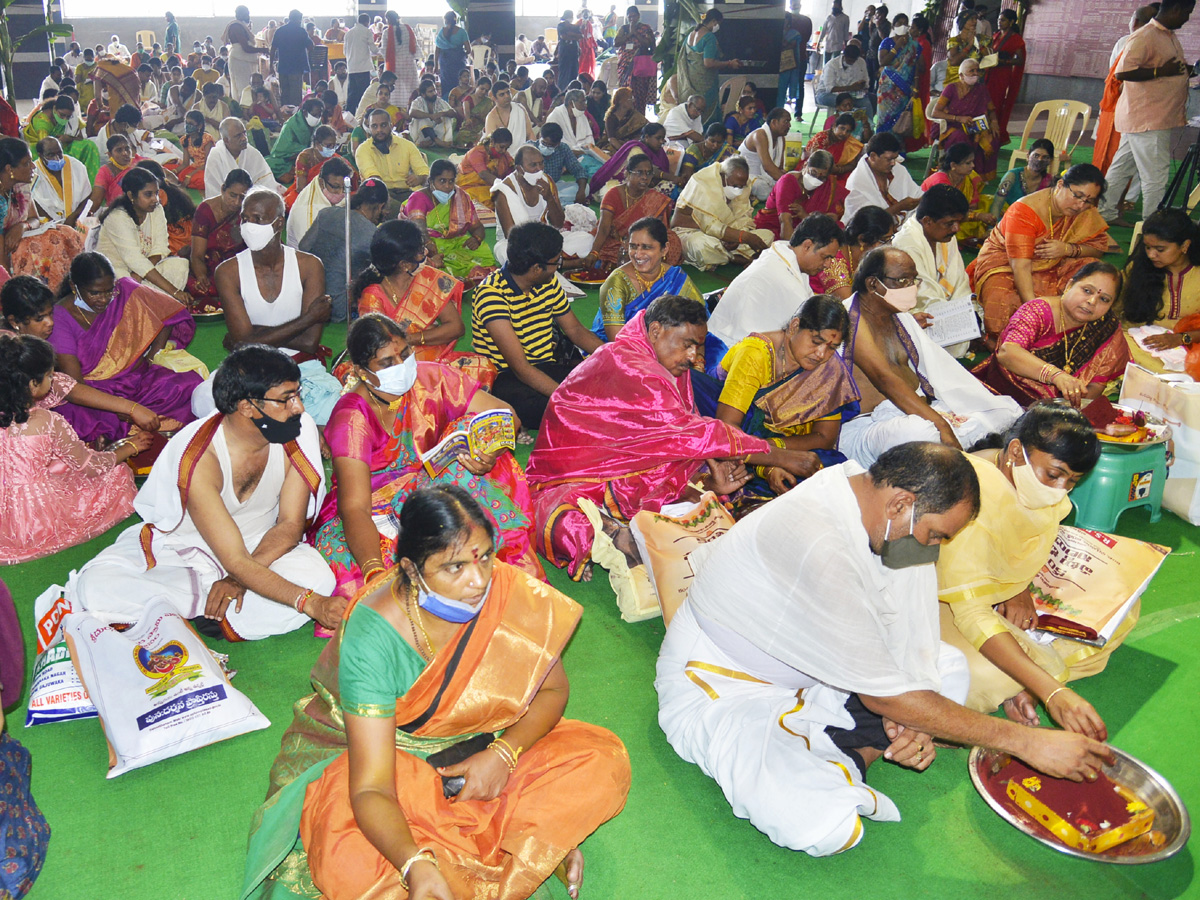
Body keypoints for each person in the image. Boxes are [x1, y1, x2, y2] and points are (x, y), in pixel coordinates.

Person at [657, 441, 1116, 857]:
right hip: (726, 686)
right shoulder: (819, 537)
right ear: (902, 503)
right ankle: (849, 757)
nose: (934, 547)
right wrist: (1026, 742)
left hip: (821, 677)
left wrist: (911, 707)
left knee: (949, 669)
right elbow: (883, 692)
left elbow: (908, 628)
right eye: (936, 535)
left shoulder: (870, 497)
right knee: (820, 826)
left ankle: (853, 749)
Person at [245, 483, 629, 900]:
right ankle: (515, 847)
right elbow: (371, 788)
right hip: (391, 762)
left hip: (483, 750)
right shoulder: (374, 632)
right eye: (454, 567)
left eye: (484, 556)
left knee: (598, 758)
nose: (478, 579)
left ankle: (512, 842)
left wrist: (504, 754)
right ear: (411, 570)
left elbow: (554, 692)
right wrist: (414, 865)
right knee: (345, 828)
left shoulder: (507, 591)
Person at [527, 295, 810, 579]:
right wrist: (778, 455)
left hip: (626, 463)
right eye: (686, 344)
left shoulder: (659, 358)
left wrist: (708, 479)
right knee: (565, 521)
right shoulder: (635, 368)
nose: (693, 356)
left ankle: (621, 529)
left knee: (712, 488)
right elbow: (689, 433)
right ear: (655, 331)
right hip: (576, 475)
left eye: (698, 346)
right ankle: (611, 533)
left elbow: (676, 433)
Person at [71, 345, 340, 640]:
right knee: (98, 585)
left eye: (297, 395)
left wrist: (238, 579)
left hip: (261, 546)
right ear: (248, 406)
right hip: (186, 550)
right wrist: (309, 602)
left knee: (318, 577)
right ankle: (217, 613)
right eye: (287, 399)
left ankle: (186, 617)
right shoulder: (200, 456)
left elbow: (289, 525)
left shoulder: (297, 429)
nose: (299, 407)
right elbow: (234, 559)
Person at [313, 316, 540, 601]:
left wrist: (489, 453)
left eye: (405, 353)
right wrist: (374, 573)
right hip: (376, 504)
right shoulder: (352, 417)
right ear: (361, 372)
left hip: (433, 482)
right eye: (386, 363)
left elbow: (506, 416)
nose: (401, 366)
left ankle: (498, 566)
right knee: (353, 561)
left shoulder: (433, 377)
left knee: (472, 439)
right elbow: (355, 507)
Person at [937, 403, 1135, 726]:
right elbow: (971, 613)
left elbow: (1024, 555)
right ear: (1015, 452)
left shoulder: (1036, 488)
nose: (1060, 491)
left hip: (1009, 599)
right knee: (987, 677)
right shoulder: (971, 493)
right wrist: (1051, 692)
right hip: (947, 601)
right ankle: (1022, 678)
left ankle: (1023, 670)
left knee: (1121, 600)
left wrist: (1018, 588)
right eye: (1054, 475)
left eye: (1072, 481)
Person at [839, 248, 1021, 466]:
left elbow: (936, 371)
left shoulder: (900, 318)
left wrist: (945, 414)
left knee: (1005, 410)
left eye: (913, 279)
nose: (911, 287)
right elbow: (885, 379)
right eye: (902, 280)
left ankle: (943, 450)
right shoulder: (851, 320)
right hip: (869, 427)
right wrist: (942, 425)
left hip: (917, 411)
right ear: (873, 284)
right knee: (920, 432)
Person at [195, 189, 339, 427]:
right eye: (244, 219)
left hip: (299, 365)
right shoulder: (228, 271)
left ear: (278, 222)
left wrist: (253, 336)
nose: (248, 225)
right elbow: (245, 344)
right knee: (203, 399)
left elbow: (309, 343)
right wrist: (308, 319)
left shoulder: (309, 265)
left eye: (257, 219)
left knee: (333, 402)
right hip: (250, 366)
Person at [0, 331, 144, 563]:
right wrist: (128, 448)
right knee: (117, 474)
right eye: (49, 375)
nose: (54, 379)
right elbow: (90, 466)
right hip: (35, 515)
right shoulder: (47, 420)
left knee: (55, 465)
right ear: (32, 385)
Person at [714, 294, 858, 500]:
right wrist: (775, 462)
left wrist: (776, 450)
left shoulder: (829, 368)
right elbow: (727, 430)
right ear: (794, 326)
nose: (821, 354)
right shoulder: (756, 353)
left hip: (776, 447)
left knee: (836, 473)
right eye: (816, 341)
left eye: (832, 347)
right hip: (732, 438)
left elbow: (824, 438)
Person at [48, 251, 200, 443]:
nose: (104, 300)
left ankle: (125, 432)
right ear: (73, 286)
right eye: (95, 293)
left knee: (188, 384)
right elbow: (75, 386)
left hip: (138, 380)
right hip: (96, 395)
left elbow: (167, 312)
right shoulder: (60, 318)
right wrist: (126, 408)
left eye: (108, 291)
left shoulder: (124, 291)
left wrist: (152, 357)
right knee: (75, 417)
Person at [470, 222, 602, 431]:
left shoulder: (547, 282)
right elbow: (521, 368)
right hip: (506, 377)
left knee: (601, 381)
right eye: (556, 262)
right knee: (547, 407)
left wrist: (612, 355)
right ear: (536, 269)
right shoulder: (491, 294)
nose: (559, 265)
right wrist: (565, 398)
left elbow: (575, 331)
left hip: (545, 365)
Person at [969, 165, 1109, 345]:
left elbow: (1098, 248)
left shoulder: (1084, 210)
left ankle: (1070, 329)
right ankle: (1007, 341)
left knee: (1089, 269)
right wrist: (1034, 312)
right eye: (1077, 195)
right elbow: (1021, 266)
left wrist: (1068, 249)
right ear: (1060, 185)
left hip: (1055, 260)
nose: (1081, 205)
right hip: (1007, 261)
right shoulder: (1025, 211)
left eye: (1089, 200)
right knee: (1003, 297)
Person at [355, 220, 495, 384]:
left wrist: (412, 338)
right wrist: (428, 336)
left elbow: (456, 327)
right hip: (396, 368)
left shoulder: (428, 278)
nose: (426, 253)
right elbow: (381, 350)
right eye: (421, 251)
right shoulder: (372, 297)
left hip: (436, 358)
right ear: (404, 264)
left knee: (484, 368)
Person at [976, 262, 1130, 407]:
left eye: (1104, 299)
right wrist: (1056, 375)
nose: (1092, 301)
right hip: (1004, 396)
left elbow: (1096, 384)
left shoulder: (1107, 328)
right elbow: (1007, 352)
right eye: (1087, 290)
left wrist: (1069, 409)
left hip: (1059, 409)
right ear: (1069, 285)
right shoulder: (1038, 311)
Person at [1098, 0, 1195, 224]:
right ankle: (1153, 228)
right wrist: (1159, 71)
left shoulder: (1167, 35)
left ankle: (1104, 214)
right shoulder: (1145, 35)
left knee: (1121, 168)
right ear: (1176, 9)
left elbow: (1167, 68)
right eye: (1187, 13)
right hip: (1149, 119)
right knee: (1155, 177)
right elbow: (1122, 73)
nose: (1187, 18)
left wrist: (1184, 71)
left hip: (1146, 117)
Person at [709, 214, 845, 348]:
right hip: (728, 349)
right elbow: (810, 330)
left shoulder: (785, 257)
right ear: (807, 246)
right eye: (825, 257)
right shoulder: (784, 279)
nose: (828, 264)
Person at [592, 216, 703, 350]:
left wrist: (698, 358)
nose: (638, 255)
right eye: (633, 247)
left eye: (646, 247)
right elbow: (617, 341)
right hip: (622, 351)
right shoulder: (617, 282)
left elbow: (699, 321)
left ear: (665, 249)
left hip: (667, 346)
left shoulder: (675, 277)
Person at [892, 185, 974, 356]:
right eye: (950, 223)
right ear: (927, 221)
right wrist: (953, 317)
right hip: (915, 313)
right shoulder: (906, 243)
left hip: (944, 309)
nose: (956, 229)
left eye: (958, 222)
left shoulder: (944, 235)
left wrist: (963, 312)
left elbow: (959, 279)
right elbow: (921, 294)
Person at [95, 166, 191, 302]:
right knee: (127, 283)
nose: (155, 199)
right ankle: (153, 303)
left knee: (179, 265)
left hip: (142, 272)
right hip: (116, 272)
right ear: (131, 196)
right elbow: (133, 259)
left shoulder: (156, 210)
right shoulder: (118, 217)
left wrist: (140, 274)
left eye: (156, 193)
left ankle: (152, 303)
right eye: (148, 194)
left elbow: (160, 248)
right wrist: (175, 292)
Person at [298, 177, 387, 324]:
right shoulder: (372, 234)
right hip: (337, 308)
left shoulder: (326, 213)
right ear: (380, 206)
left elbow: (303, 247)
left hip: (306, 299)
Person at [1120, 208, 1200, 370]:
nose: (1151, 255)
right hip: (1139, 343)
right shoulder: (1137, 269)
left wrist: (1180, 339)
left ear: (1185, 245)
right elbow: (1116, 311)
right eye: (1148, 247)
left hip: (1191, 344)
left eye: (1160, 249)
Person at [401, 160, 497, 290]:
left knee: (482, 258)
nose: (447, 186)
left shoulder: (461, 197)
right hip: (424, 244)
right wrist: (429, 246)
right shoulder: (418, 198)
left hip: (454, 243)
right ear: (431, 181)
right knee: (425, 265)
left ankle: (461, 281)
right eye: (442, 181)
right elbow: (419, 231)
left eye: (451, 181)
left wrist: (476, 239)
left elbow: (478, 227)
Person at [584, 155, 683, 279]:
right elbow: (604, 228)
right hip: (615, 240)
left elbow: (657, 230)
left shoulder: (655, 198)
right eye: (639, 173)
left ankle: (646, 265)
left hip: (644, 241)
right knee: (622, 252)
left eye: (648, 173)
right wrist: (594, 252)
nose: (644, 177)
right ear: (627, 174)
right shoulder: (613, 194)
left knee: (672, 241)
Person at [1093, 6, 1159, 186]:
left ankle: (1120, 199)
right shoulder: (1125, 42)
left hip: (1130, 108)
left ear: (1135, 22)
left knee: (1122, 156)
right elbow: (1113, 78)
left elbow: (1119, 77)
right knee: (1115, 155)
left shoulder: (1146, 44)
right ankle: (1111, 199)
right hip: (1118, 105)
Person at [671, 156, 772, 271]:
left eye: (741, 186)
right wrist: (743, 237)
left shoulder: (744, 183)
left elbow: (743, 215)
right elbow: (711, 226)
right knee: (701, 245)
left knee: (767, 235)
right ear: (723, 177)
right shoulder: (703, 183)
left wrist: (737, 237)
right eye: (734, 186)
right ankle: (733, 258)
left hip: (727, 233)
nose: (738, 190)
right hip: (692, 232)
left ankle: (721, 256)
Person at [188, 168, 250, 308]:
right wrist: (202, 276)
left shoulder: (248, 209)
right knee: (203, 288)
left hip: (240, 262)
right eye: (232, 195)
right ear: (223, 189)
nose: (236, 202)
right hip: (212, 265)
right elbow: (197, 255)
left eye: (242, 197)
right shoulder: (205, 211)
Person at [931, 57, 1001, 182]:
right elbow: (935, 112)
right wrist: (958, 118)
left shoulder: (981, 89)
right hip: (953, 126)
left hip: (975, 126)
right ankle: (958, 172)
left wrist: (994, 122)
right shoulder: (951, 88)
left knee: (993, 138)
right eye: (971, 71)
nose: (975, 74)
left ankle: (981, 176)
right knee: (960, 138)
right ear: (961, 75)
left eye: (977, 71)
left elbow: (991, 110)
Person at [810, 205, 895, 299]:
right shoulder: (834, 259)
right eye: (884, 241)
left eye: (890, 239)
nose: (889, 245)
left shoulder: (869, 258)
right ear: (862, 240)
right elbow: (849, 305)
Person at [355, 108, 429, 212]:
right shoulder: (363, 150)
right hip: (380, 195)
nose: (379, 130)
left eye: (383, 125)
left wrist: (419, 178)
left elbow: (424, 172)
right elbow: (375, 181)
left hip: (407, 191)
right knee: (403, 211)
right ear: (369, 128)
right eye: (374, 126)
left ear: (391, 125)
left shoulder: (407, 145)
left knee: (425, 204)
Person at [920, 142, 996, 242]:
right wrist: (977, 216)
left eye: (972, 162)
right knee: (953, 227)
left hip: (962, 213)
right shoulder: (940, 182)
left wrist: (972, 213)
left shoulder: (970, 177)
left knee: (990, 201)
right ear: (953, 165)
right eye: (968, 163)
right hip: (938, 216)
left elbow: (974, 205)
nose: (973, 165)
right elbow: (946, 213)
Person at [675, 11, 739, 127]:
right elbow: (708, 63)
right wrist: (729, 63)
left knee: (693, 116)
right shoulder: (709, 37)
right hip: (706, 85)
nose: (718, 27)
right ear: (714, 21)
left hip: (690, 84)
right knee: (707, 116)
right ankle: (706, 141)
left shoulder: (690, 35)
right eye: (718, 23)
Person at [755, 151, 838, 242]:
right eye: (813, 173)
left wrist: (805, 216)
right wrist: (790, 251)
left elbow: (832, 217)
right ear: (805, 165)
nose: (816, 179)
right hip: (775, 227)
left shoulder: (826, 185)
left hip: (806, 227)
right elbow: (785, 220)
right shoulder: (788, 182)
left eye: (821, 178)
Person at [844, 132, 921, 225]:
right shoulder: (856, 183)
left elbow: (917, 194)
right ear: (873, 157)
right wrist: (899, 207)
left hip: (903, 227)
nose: (893, 163)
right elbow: (864, 223)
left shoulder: (898, 169)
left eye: (895, 158)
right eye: (889, 159)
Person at [23, 94, 101, 179]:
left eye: (68, 116)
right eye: (62, 115)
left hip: (62, 145)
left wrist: (68, 138)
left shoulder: (69, 118)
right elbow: (46, 147)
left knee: (89, 146)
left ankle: (92, 183)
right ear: (55, 109)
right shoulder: (42, 123)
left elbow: (80, 137)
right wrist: (60, 143)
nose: (65, 119)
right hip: (42, 150)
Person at [286, 155, 352, 250]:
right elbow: (313, 252)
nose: (341, 193)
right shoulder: (308, 211)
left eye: (345, 188)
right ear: (321, 182)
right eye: (336, 187)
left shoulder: (325, 187)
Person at [204, 117, 280, 198]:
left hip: (250, 200)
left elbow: (265, 181)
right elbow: (214, 188)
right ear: (226, 140)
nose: (244, 138)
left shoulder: (252, 152)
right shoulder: (216, 155)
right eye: (238, 136)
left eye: (244, 133)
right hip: (226, 202)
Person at [803, 111, 865, 210]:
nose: (844, 133)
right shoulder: (821, 139)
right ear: (835, 126)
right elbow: (814, 161)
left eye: (848, 131)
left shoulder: (851, 143)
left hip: (837, 172)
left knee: (852, 181)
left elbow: (852, 165)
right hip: (818, 171)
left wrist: (839, 170)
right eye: (842, 128)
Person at [29, 137, 89, 231]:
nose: (57, 158)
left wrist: (73, 217)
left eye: (59, 153)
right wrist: (56, 225)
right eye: (51, 155)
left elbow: (87, 195)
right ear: (40, 155)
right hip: (48, 224)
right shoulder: (33, 172)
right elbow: (33, 202)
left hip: (77, 218)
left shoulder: (76, 166)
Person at [985, 8, 1025, 136]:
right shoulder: (996, 35)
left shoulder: (1016, 39)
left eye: (1003, 20)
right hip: (990, 72)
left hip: (1002, 74)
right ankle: (983, 131)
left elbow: (1020, 61)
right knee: (985, 100)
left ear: (1011, 22)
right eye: (999, 20)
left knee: (995, 101)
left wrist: (1005, 62)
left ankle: (994, 133)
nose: (999, 22)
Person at [990, 138, 1054, 218]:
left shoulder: (1049, 182)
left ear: (1051, 161)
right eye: (1036, 155)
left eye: (1045, 157)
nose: (1039, 160)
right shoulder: (1012, 176)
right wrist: (992, 228)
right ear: (1027, 156)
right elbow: (997, 204)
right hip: (1006, 222)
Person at [547, 89, 604, 177]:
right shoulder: (555, 116)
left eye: (585, 102)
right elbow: (553, 146)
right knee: (596, 168)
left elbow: (589, 143)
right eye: (582, 102)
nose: (585, 106)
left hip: (582, 155)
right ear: (571, 103)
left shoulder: (581, 116)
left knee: (603, 164)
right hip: (562, 158)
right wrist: (580, 153)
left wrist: (590, 152)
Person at [267, 98, 326, 180]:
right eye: (315, 115)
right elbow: (284, 149)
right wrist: (307, 151)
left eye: (320, 115)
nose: (317, 118)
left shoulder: (318, 122)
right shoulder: (291, 125)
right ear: (305, 112)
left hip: (309, 156)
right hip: (286, 158)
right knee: (280, 172)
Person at [740, 107, 791, 202]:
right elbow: (767, 166)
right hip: (747, 176)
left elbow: (779, 168)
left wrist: (789, 177)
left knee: (792, 177)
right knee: (764, 189)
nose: (789, 125)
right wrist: (788, 183)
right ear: (774, 122)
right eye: (786, 122)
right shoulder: (759, 135)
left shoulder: (781, 138)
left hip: (766, 177)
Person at [535, 122, 591, 205]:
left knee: (586, 188)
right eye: (544, 143)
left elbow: (579, 170)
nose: (546, 147)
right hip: (535, 189)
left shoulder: (563, 148)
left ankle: (553, 201)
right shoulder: (529, 148)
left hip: (555, 186)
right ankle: (560, 203)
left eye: (551, 146)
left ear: (558, 143)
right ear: (540, 136)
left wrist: (581, 191)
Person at [614, 5, 657, 112]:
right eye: (629, 17)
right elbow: (616, 43)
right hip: (625, 64)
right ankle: (626, 115)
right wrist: (629, 33)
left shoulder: (645, 28)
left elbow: (648, 43)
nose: (631, 19)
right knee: (626, 92)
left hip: (640, 65)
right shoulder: (624, 29)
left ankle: (639, 117)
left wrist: (635, 33)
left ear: (638, 16)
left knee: (639, 93)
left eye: (634, 16)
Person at [457, 127, 512, 207]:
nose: (504, 151)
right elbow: (483, 174)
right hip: (469, 187)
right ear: (492, 142)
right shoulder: (477, 152)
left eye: (506, 148)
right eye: (501, 147)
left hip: (490, 187)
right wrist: (504, 187)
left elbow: (512, 171)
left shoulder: (504, 156)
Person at [816, 43, 872, 118]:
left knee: (866, 103)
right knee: (845, 102)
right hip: (826, 94)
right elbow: (830, 88)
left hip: (851, 93)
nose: (851, 62)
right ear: (844, 56)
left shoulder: (861, 62)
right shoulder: (831, 65)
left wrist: (862, 85)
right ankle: (840, 125)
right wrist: (851, 87)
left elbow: (866, 80)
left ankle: (868, 127)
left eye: (854, 60)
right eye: (849, 60)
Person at [270, 10, 313, 107]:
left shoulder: (280, 31)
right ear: (299, 19)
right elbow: (311, 46)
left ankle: (285, 116)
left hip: (283, 68)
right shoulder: (301, 31)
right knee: (295, 96)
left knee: (284, 94)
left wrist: (270, 66)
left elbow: (272, 49)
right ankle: (294, 117)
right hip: (296, 68)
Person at [167, 110, 215, 190]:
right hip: (194, 168)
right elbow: (185, 163)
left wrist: (190, 175)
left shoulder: (207, 139)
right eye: (186, 123)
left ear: (199, 126)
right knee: (171, 171)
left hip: (207, 169)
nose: (187, 126)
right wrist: (173, 172)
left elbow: (207, 164)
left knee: (202, 180)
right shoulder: (185, 140)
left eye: (191, 124)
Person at [383, 10, 420, 111]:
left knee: (396, 90)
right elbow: (415, 45)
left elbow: (384, 51)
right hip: (409, 64)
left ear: (388, 20)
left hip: (395, 65)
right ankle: (411, 108)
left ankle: (397, 111)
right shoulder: (408, 28)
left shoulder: (386, 32)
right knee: (410, 88)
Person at [343, 13, 380, 114]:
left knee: (352, 95)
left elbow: (344, 52)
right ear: (367, 22)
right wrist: (381, 50)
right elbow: (373, 49)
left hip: (351, 68)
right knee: (363, 95)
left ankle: (349, 117)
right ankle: (362, 115)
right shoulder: (367, 31)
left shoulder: (348, 33)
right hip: (363, 68)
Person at [408, 79, 456, 149]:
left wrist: (441, 114)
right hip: (421, 135)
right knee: (422, 118)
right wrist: (431, 116)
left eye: (434, 90)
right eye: (430, 91)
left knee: (446, 116)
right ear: (423, 94)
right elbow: (412, 113)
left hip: (436, 133)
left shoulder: (439, 101)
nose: (434, 93)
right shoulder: (418, 101)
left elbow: (453, 112)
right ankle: (436, 141)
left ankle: (435, 142)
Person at [433, 11, 471, 101]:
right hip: (458, 62)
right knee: (459, 83)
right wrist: (461, 55)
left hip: (445, 63)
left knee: (446, 85)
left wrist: (436, 66)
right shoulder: (462, 32)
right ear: (456, 20)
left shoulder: (441, 32)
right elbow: (469, 50)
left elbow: (437, 51)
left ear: (445, 20)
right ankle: (459, 103)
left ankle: (447, 104)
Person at [945, 10, 981, 86]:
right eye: (971, 19)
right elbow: (953, 61)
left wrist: (978, 43)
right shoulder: (954, 41)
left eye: (976, 19)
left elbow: (989, 59)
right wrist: (969, 46)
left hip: (974, 83)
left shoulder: (980, 40)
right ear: (963, 22)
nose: (975, 22)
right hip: (955, 82)